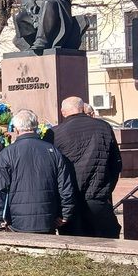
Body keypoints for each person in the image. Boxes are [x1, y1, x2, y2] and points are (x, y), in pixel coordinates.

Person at [0, 109, 78, 234]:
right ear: (36, 126)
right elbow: (65, 187)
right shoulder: (52, 151)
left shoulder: (7, 153)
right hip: (47, 219)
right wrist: (65, 214)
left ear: (16, 129)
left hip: (17, 221)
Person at [52, 96, 123, 238]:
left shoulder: (55, 133)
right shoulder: (104, 127)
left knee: (73, 246)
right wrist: (107, 188)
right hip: (98, 197)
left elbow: (51, 170)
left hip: (69, 202)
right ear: (82, 108)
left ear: (62, 112)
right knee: (106, 243)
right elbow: (116, 163)